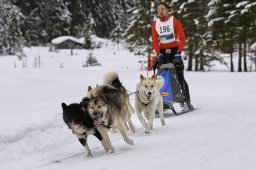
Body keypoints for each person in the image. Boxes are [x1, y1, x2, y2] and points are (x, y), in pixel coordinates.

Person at [151, 2, 194, 110]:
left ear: (167, 10)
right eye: (158, 9)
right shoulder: (155, 24)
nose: (160, 11)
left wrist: (179, 53)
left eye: (163, 9)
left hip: (175, 51)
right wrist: (158, 53)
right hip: (162, 53)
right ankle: (163, 102)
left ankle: (187, 101)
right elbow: (155, 41)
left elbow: (183, 39)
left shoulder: (175, 22)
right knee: (161, 78)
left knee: (179, 77)